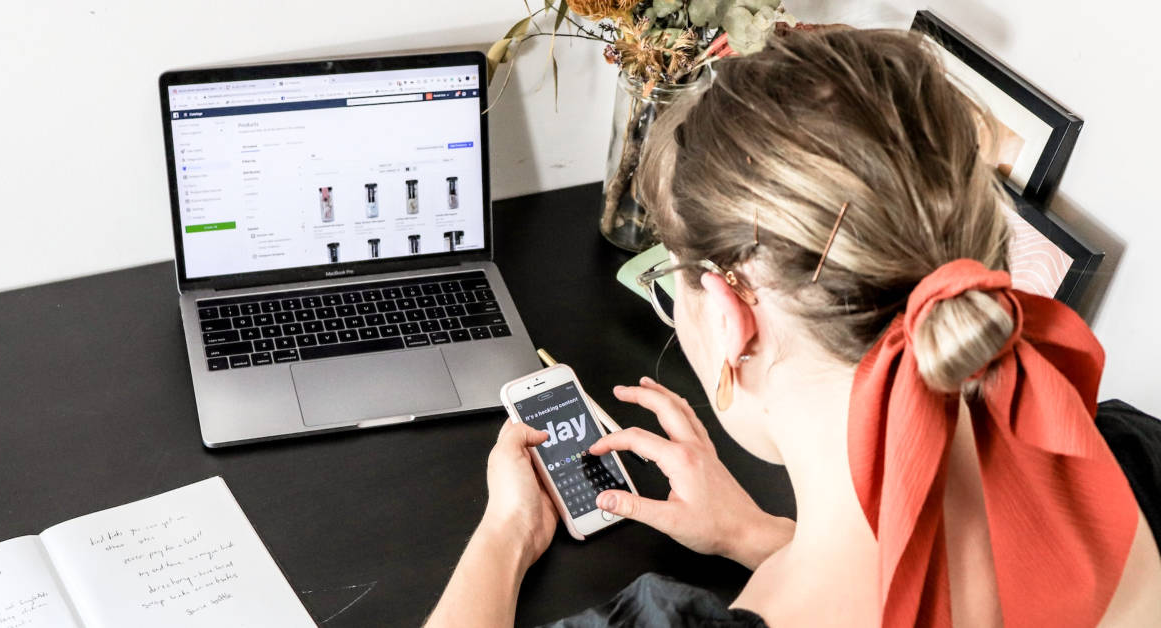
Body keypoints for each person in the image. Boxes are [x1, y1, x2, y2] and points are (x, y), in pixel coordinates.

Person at [425, 27, 1161, 627]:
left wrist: (508, 534)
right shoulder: (1123, 457)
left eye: (667, 276)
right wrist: (756, 537)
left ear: (729, 314)